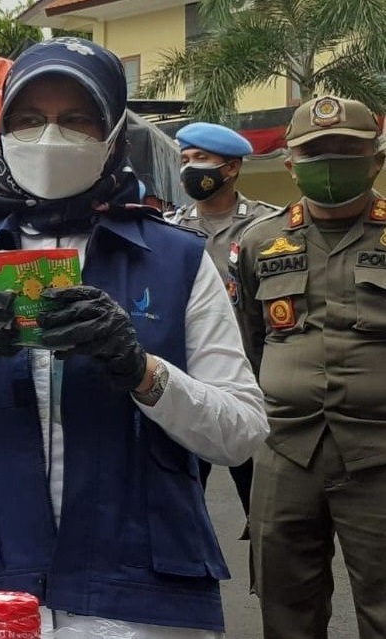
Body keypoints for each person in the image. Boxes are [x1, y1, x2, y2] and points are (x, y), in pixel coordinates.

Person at [0, 38, 266, 636]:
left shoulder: (178, 261)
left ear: (113, 135)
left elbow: (240, 433)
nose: (49, 136)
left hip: (142, 602)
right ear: (2, 131)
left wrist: (143, 371)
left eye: (76, 119)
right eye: (28, 119)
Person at [233, 95, 386, 639]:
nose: (331, 162)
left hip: (379, 453)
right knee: (284, 605)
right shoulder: (258, 242)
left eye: (347, 150)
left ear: (375, 158)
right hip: (286, 452)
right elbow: (250, 342)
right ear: (292, 163)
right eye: (317, 152)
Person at [168, 122, 278, 539]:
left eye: (201, 160)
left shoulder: (267, 228)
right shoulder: (170, 228)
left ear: (231, 169)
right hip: (186, 381)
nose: (190, 169)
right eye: (185, 160)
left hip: (249, 382)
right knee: (180, 499)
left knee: (265, 510)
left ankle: (266, 580)